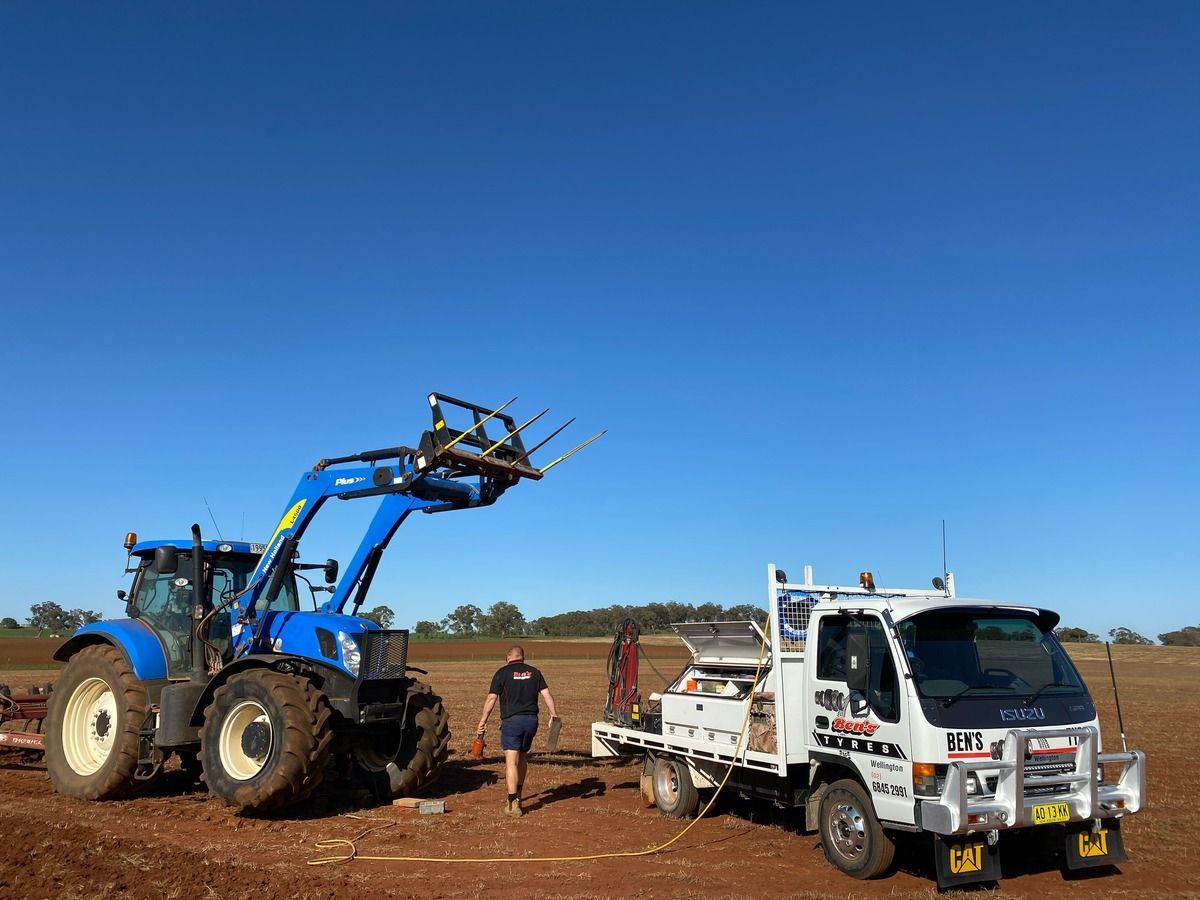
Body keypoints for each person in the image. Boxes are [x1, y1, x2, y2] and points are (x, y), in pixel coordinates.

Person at [476, 646, 559, 817]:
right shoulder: (535, 672)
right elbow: (547, 695)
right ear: (522, 657)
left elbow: (492, 698)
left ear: (508, 657)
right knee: (522, 756)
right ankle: (519, 793)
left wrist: (483, 721)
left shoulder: (502, 673)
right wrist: (553, 715)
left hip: (512, 722)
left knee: (511, 762)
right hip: (531, 721)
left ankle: (512, 803)